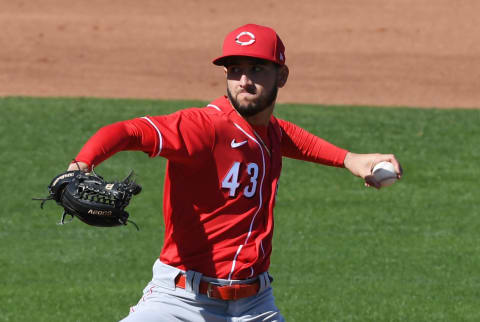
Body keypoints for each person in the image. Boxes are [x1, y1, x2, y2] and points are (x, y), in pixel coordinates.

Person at [67, 24, 402, 321]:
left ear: (281, 76)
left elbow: (290, 137)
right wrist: (80, 166)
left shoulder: (267, 131)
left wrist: (348, 159)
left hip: (255, 305)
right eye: (235, 69)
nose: (244, 80)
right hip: (181, 302)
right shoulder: (204, 127)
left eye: (256, 69)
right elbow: (129, 131)